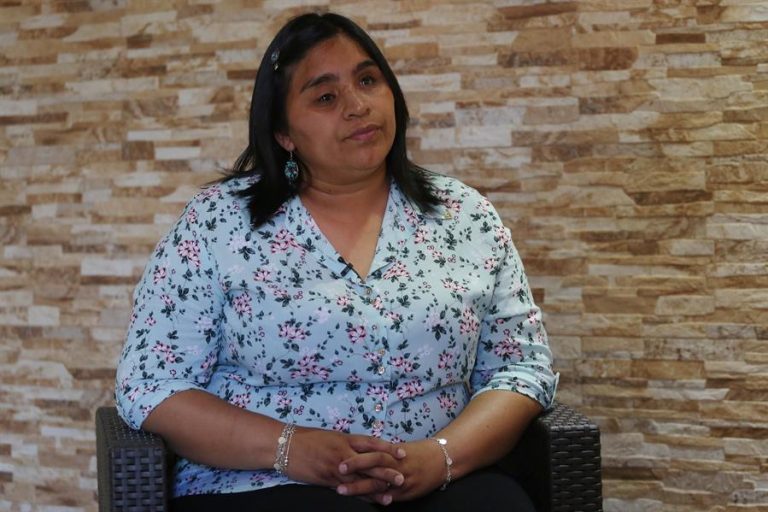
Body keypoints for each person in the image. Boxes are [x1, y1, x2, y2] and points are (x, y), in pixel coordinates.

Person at [115, 11, 558, 512]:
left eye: (368, 81)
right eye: (326, 97)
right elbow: (151, 384)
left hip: (441, 476)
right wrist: (289, 448)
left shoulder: (463, 213)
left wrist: (440, 457)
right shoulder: (218, 222)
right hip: (259, 481)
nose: (358, 106)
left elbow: (520, 368)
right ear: (283, 132)